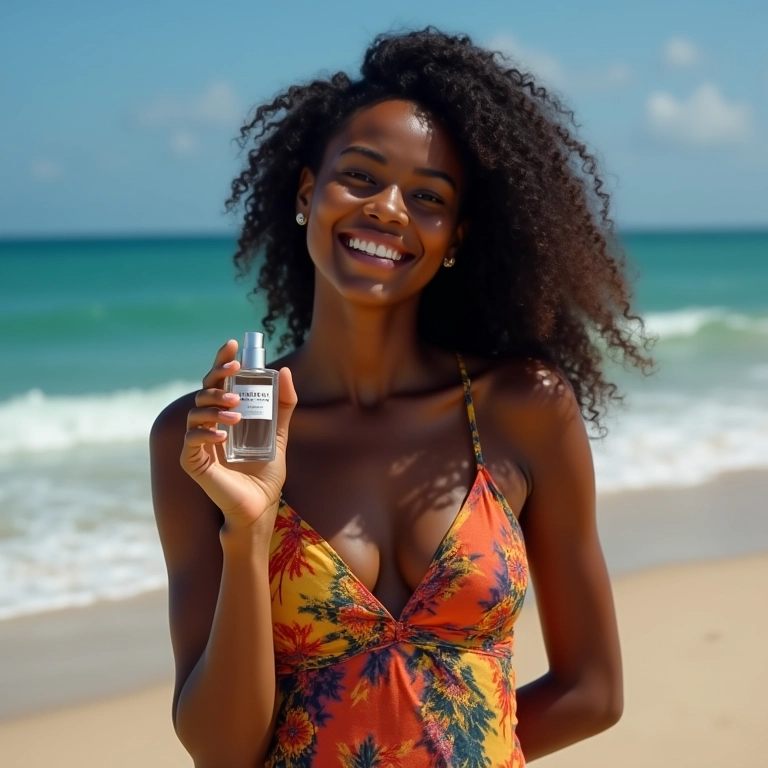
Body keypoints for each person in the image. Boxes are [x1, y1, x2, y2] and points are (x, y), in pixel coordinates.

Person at [150, 28, 652, 768]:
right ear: (304, 192)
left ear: (454, 235)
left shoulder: (524, 407)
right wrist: (249, 530)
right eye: (360, 176)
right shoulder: (204, 441)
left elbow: (593, 690)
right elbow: (223, 752)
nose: (388, 209)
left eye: (427, 197)